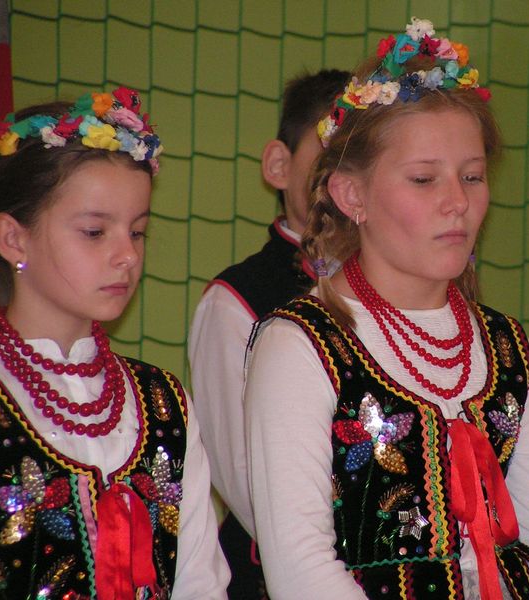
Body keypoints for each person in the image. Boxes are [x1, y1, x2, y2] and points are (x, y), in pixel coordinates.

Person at [243, 17, 529, 600]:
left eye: (472, 176)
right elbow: (301, 570)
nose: (457, 202)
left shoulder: (506, 346)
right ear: (351, 195)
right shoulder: (300, 344)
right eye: (425, 179)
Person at [0, 88, 229, 598]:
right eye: (94, 232)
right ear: (14, 239)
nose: (127, 255)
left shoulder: (163, 401)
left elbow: (199, 582)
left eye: (137, 232)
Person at [188, 68, 349, 599]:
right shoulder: (235, 299)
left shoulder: (399, 293)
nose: (345, 181)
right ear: (279, 165)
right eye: (329, 158)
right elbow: (246, 482)